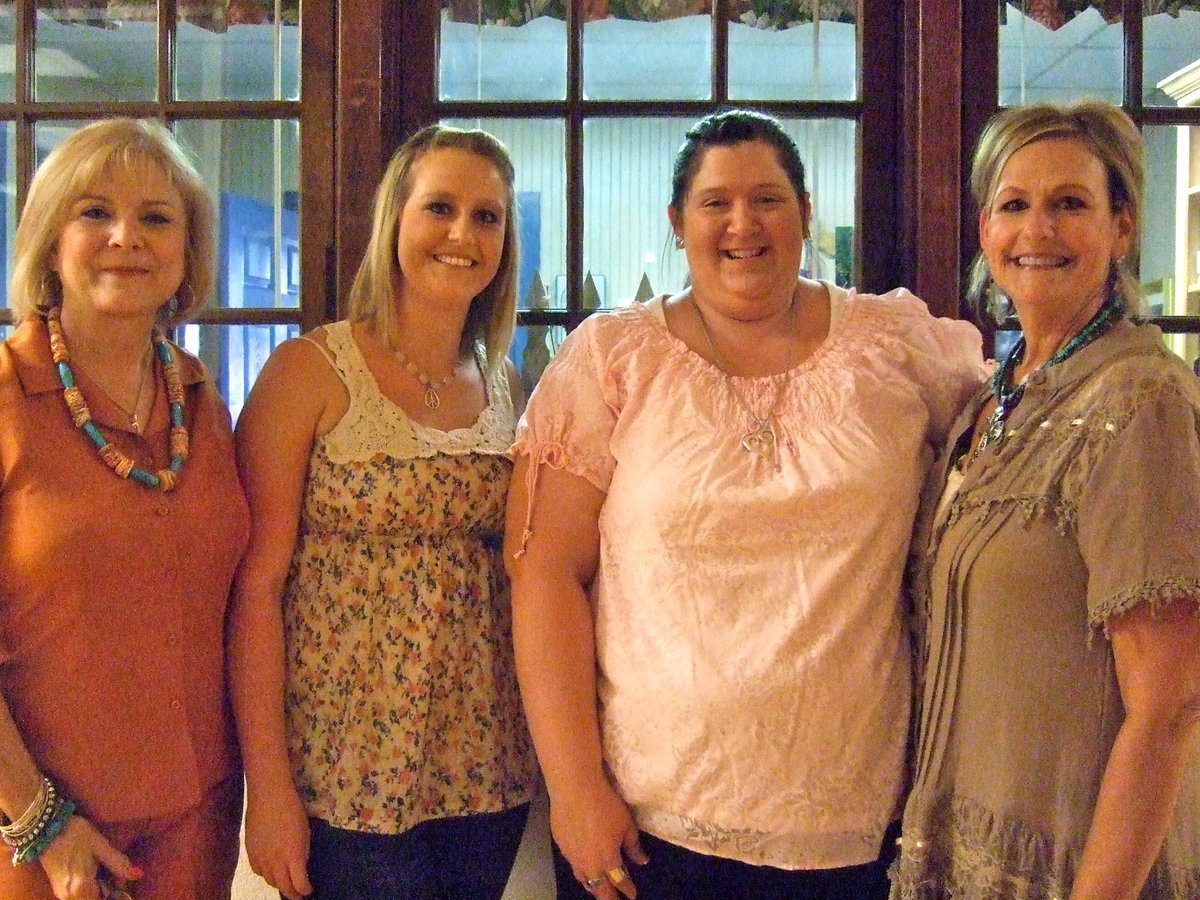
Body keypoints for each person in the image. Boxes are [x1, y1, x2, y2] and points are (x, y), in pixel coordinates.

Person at [504, 108, 986, 900]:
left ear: (803, 211)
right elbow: (546, 575)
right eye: (715, 203)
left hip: (854, 827)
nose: (742, 224)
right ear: (677, 222)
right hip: (645, 828)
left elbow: (1011, 447)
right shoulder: (613, 357)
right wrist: (577, 789)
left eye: (767, 199)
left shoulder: (897, 345)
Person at [891, 100, 1200, 899]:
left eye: (1070, 203)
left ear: (1122, 226)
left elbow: (1168, 707)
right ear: (986, 229)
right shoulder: (989, 400)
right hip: (956, 848)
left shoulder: (1142, 400)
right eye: (1013, 205)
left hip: (1072, 866)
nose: (1038, 231)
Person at [230, 123, 539, 900]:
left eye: (487, 216)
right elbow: (255, 589)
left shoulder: (504, 381)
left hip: (485, 764)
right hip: (345, 770)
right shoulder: (310, 372)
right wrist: (267, 787)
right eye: (440, 207)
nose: (462, 234)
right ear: (395, 219)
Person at [0, 118, 248, 900]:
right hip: (41, 837)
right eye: (94, 212)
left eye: (156, 217)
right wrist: (40, 821)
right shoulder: (5, 396)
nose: (125, 238)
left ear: (186, 250)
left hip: (198, 822)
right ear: (49, 240)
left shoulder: (202, 401)